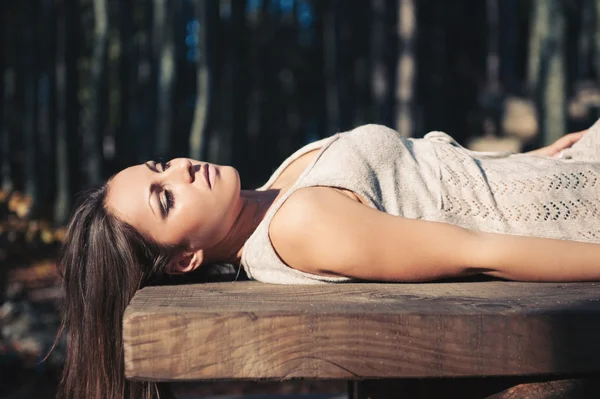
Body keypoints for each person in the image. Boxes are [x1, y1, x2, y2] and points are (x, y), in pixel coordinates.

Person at [55, 121, 599, 399]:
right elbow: (482, 254)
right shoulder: (300, 225)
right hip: (576, 218)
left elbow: (425, 184)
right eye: (165, 199)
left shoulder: (273, 197)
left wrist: (536, 158)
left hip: (555, 179)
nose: (182, 171)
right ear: (184, 261)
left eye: (161, 165)